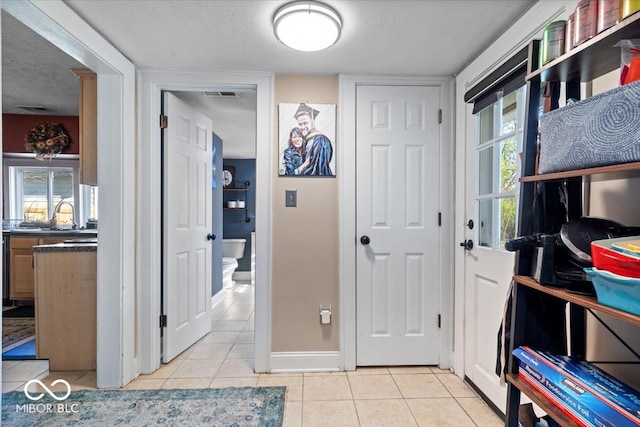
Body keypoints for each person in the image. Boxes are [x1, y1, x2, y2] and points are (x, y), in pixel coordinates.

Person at [294, 103, 333, 176]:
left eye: (305, 123)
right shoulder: (308, 140)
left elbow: (315, 168)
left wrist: (296, 172)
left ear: (312, 122)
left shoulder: (320, 140)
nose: (302, 127)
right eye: (300, 124)